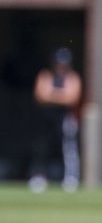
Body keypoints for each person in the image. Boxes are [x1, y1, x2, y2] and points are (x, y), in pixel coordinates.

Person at [29, 47, 82, 193]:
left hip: (64, 118)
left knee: (68, 149)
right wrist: (61, 95)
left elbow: (72, 98)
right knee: (42, 147)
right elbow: (40, 95)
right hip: (46, 118)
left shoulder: (72, 77)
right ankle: (39, 177)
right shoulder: (45, 75)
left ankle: (70, 178)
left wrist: (52, 95)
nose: (61, 67)